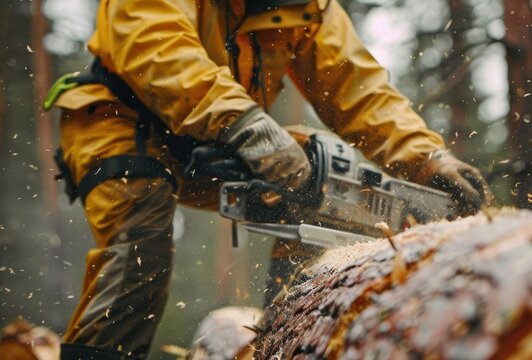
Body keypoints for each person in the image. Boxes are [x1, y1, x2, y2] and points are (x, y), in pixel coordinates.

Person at [48, 0, 493, 358]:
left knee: (321, 177)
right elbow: (153, 47)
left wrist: (426, 158)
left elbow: (360, 90)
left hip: (217, 131)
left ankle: (285, 339)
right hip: (121, 119)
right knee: (138, 252)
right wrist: (244, 124)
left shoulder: (309, 7)